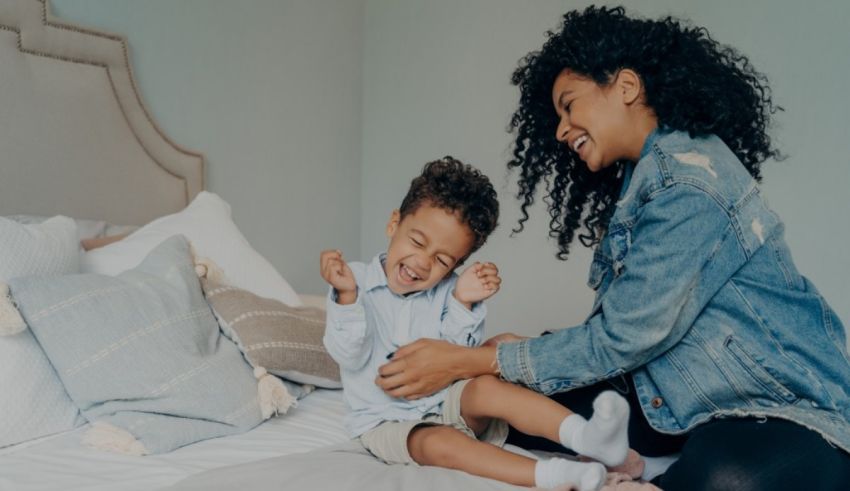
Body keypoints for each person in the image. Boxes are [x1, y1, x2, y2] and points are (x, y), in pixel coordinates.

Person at [374, 7, 850, 491]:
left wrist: (474, 360)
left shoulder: (688, 182)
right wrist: (519, 356)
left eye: (568, 105)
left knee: (728, 479)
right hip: (674, 396)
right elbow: (632, 327)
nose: (561, 131)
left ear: (626, 86)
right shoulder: (641, 179)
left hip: (778, 403)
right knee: (504, 397)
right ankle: (635, 458)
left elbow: (626, 338)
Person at [321, 157, 634, 491]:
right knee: (438, 444)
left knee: (488, 387)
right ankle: (555, 475)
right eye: (417, 242)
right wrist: (347, 296)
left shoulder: (446, 290)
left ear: (457, 262)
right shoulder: (354, 282)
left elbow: (456, 358)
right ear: (394, 224)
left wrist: (462, 300)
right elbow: (350, 354)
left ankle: (587, 437)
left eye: (443, 260)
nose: (422, 263)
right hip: (386, 420)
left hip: (447, 400)